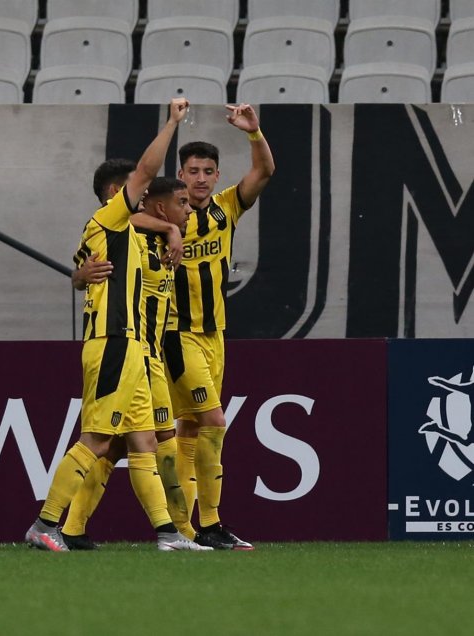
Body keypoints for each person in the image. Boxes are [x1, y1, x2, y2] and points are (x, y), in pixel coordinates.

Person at [24, 99, 207, 552]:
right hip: (114, 342)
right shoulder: (110, 219)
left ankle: (168, 533)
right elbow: (147, 170)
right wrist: (172, 123)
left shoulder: (122, 233)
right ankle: (46, 525)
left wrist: (79, 276)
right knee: (98, 440)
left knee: (144, 441)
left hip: (133, 349)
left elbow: (82, 272)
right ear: (114, 195)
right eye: (132, 191)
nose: (141, 197)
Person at [61, 176, 194, 549]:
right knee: (145, 439)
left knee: (130, 443)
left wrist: (171, 229)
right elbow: (79, 271)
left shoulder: (157, 233)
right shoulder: (121, 231)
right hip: (128, 350)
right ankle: (179, 530)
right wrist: (80, 276)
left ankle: (73, 528)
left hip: (148, 351)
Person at [164, 104, 275, 550]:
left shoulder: (226, 208)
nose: (202, 178)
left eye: (209, 171)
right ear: (181, 174)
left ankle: (183, 532)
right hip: (177, 333)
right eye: (193, 171)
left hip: (215, 335)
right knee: (214, 421)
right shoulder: (166, 215)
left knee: (191, 429)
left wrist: (254, 133)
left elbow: (265, 171)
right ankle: (208, 524)